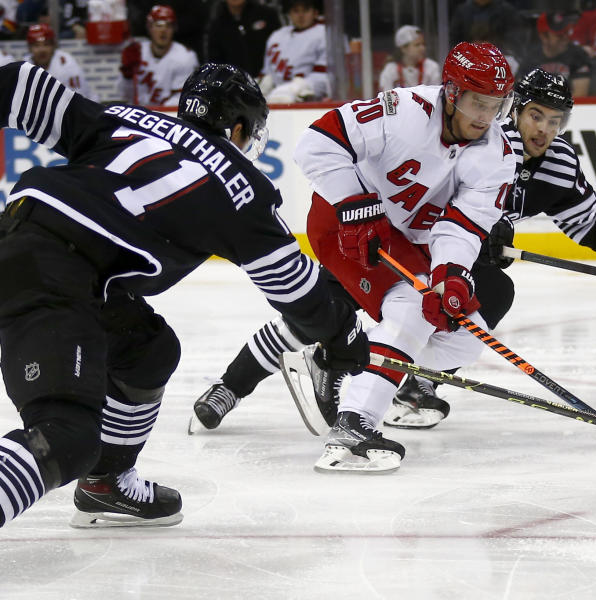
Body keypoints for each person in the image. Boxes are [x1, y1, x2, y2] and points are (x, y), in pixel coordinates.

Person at [191, 67, 596, 444]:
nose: (545, 130)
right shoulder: (482, 136)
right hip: (387, 234)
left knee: (486, 297)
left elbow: (586, 220)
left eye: (556, 121)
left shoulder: (554, 162)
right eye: (537, 115)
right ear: (516, 110)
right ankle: (233, 385)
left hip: (447, 253)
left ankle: (418, 379)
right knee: (320, 315)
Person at [0, 61, 367, 528]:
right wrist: (343, 335)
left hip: (34, 244)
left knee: (147, 350)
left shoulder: (125, 118)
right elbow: (298, 292)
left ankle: (106, 483)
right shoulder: (242, 188)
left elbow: (17, 85)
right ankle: (92, 466)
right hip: (52, 273)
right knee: (65, 436)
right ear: (237, 128)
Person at [192, 42, 517, 473]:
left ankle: (341, 358)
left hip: (408, 242)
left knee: (464, 338)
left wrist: (450, 275)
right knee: (408, 309)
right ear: (453, 92)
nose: (485, 116)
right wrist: (356, 201)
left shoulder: (497, 155)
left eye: (496, 105)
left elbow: (461, 227)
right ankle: (352, 427)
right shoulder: (404, 111)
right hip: (345, 224)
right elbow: (316, 143)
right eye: (478, 102)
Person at [117, 5, 199, 106]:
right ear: (149, 28)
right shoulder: (137, 52)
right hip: (139, 114)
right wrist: (127, 76)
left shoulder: (186, 57)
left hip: (169, 116)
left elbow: (183, 99)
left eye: (168, 25)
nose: (163, 30)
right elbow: (124, 95)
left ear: (174, 29)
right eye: (158, 25)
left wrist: (155, 114)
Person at [259, 0, 335, 103]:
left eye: (306, 10)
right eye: (296, 11)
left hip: (311, 100)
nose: (300, 15)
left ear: (315, 12)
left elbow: (325, 77)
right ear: (289, 13)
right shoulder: (277, 36)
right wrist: (265, 82)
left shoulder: (325, 33)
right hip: (274, 96)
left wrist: (300, 87)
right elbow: (267, 72)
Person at [517, 10, 591, 98]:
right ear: (544, 36)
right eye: (559, 35)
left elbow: (580, 95)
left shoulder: (579, 56)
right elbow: (520, 92)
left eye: (566, 32)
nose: (565, 38)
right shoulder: (530, 59)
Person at [203, 0, 281, 78]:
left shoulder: (267, 14)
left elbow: (281, 46)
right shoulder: (217, 26)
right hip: (235, 84)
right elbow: (215, 64)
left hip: (271, 79)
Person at [24, 23, 99, 100]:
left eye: (46, 44)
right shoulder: (24, 66)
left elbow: (78, 101)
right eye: (36, 45)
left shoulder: (67, 65)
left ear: (54, 46)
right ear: (29, 48)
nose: (42, 50)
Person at [377, 25, 441, 92]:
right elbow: (385, 97)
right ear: (403, 48)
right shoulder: (390, 69)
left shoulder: (432, 66)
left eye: (423, 44)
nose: (422, 48)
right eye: (417, 45)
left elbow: (437, 96)